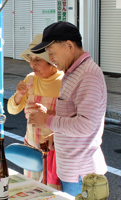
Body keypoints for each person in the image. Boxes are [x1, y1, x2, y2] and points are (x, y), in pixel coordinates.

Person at [28, 21, 108, 197]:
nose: (51, 58)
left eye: (52, 53)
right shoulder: (73, 72)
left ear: (69, 46)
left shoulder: (88, 75)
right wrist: (55, 132)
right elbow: (74, 116)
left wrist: (48, 121)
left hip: (81, 173)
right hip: (72, 170)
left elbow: (86, 125)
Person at [7, 33, 63, 190]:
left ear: (52, 61)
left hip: (54, 154)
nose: (32, 64)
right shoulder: (30, 79)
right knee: (31, 192)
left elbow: (73, 120)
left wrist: (48, 116)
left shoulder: (65, 82)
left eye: (37, 59)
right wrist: (18, 95)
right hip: (31, 151)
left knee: (51, 193)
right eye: (31, 59)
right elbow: (11, 110)